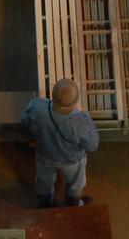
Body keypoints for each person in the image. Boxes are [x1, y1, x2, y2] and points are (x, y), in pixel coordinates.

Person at [20, 78, 100, 208]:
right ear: (75, 102)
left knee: (43, 181)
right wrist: (84, 115)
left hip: (44, 155)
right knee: (75, 183)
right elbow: (92, 145)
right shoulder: (80, 122)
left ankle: (44, 203)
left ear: (52, 94)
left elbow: (24, 121)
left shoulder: (37, 106)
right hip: (71, 160)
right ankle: (74, 203)